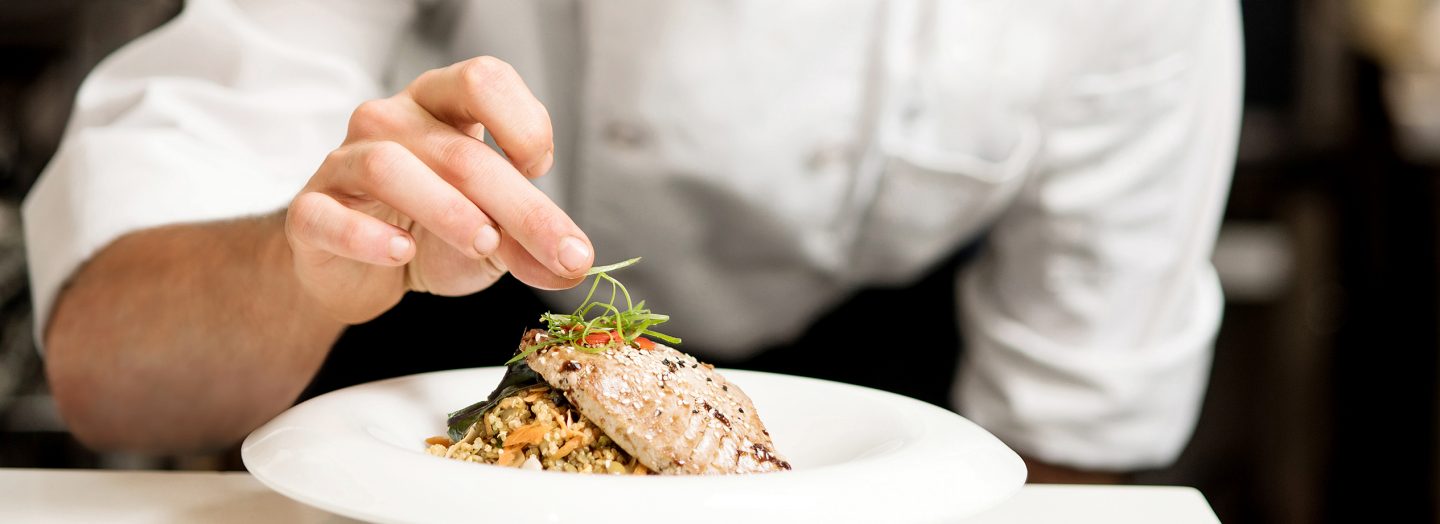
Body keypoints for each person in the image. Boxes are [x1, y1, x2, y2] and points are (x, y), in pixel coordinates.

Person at [23, 0, 1241, 482]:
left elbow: (1069, 447)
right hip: (428, 367)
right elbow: (106, 368)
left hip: (886, 408)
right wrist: (301, 275)